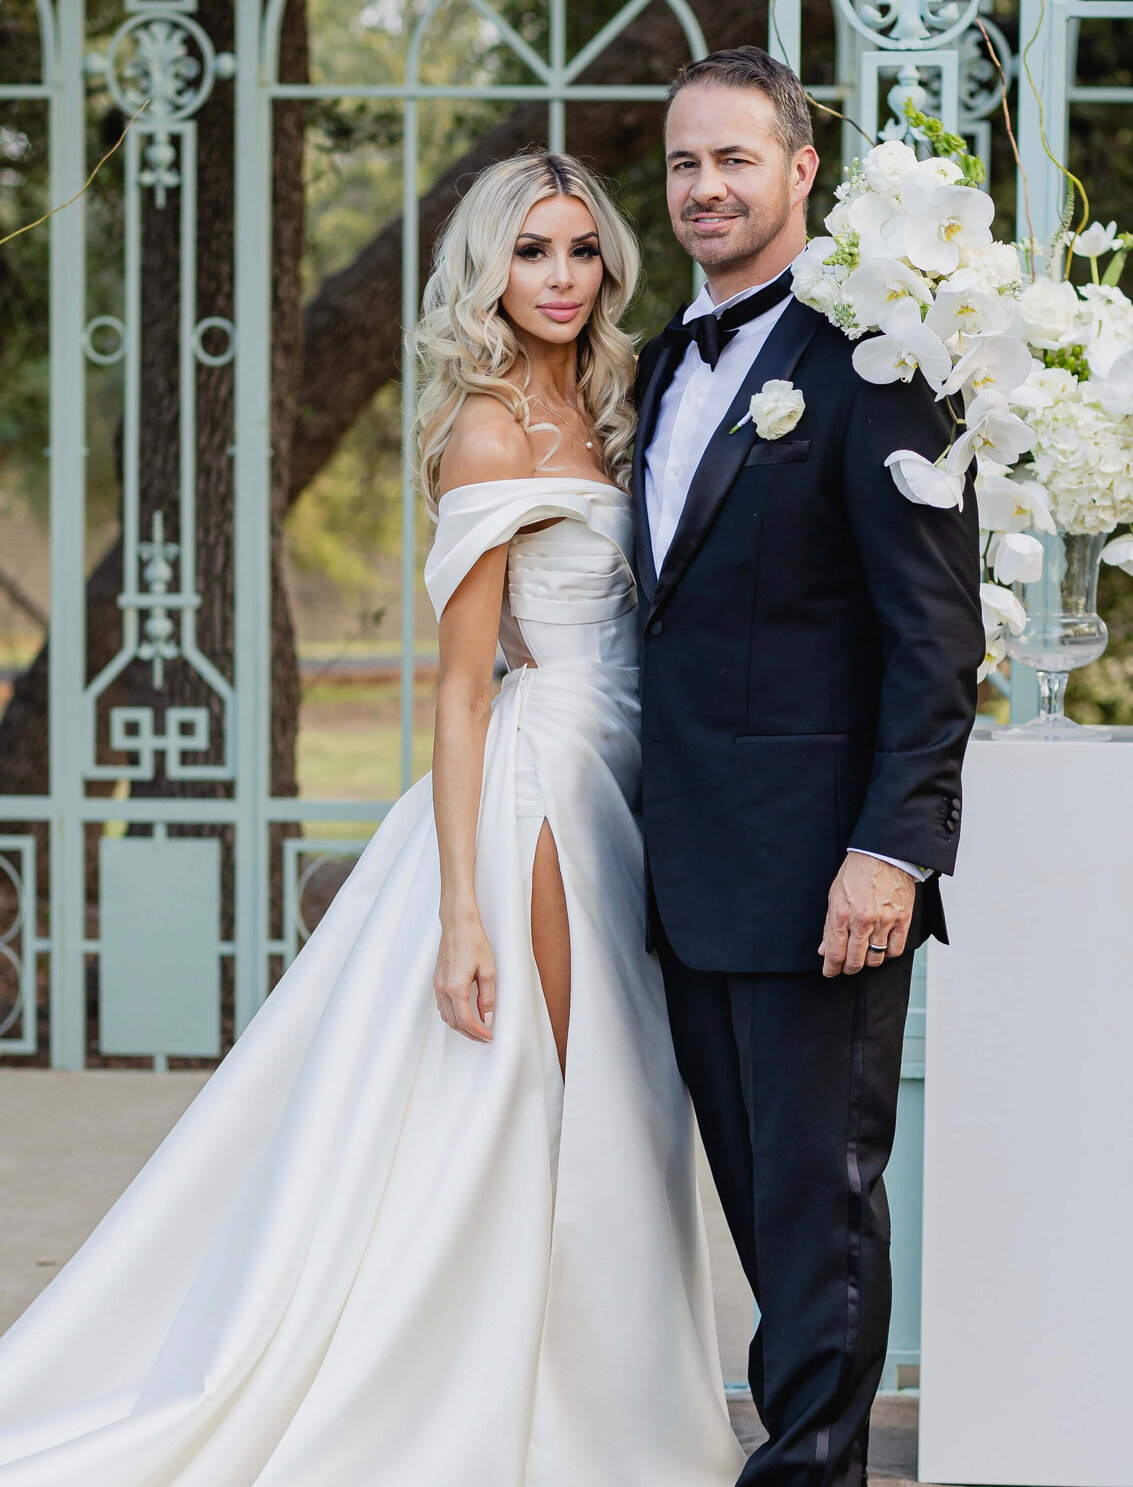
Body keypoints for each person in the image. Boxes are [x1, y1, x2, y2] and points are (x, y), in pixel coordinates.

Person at [0, 152, 745, 1487]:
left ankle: (605, 1400)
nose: (563, 279)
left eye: (582, 250)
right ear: (486, 269)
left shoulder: (622, 395)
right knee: (555, 1097)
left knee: (635, 1104)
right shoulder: (489, 426)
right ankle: (537, 1419)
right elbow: (462, 692)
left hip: (643, 783)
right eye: (532, 253)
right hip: (544, 795)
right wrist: (461, 909)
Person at [634, 49, 984, 1487]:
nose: (705, 188)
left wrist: (891, 851)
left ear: (801, 171)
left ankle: (812, 1474)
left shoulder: (877, 359)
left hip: (824, 875)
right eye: (681, 165)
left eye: (734, 159)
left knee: (820, 1218)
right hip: (683, 865)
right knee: (756, 1214)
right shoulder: (663, 361)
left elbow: (932, 635)